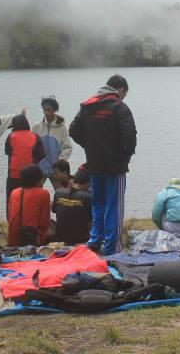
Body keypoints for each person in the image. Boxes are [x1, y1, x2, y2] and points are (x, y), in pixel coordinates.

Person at [69, 74, 137, 255]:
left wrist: (89, 146)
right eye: (125, 93)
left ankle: (95, 240)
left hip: (94, 163)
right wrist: (125, 155)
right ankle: (112, 247)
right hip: (115, 166)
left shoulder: (87, 106)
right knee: (115, 205)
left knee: (98, 202)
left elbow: (73, 130)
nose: (123, 97)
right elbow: (130, 136)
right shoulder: (119, 107)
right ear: (121, 89)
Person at [5, 113, 44, 208]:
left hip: (14, 175)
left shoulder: (11, 137)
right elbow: (42, 154)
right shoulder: (35, 136)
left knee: (13, 200)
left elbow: (8, 152)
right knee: (33, 201)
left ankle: (12, 219)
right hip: (33, 176)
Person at [7, 164, 51, 247]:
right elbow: (45, 222)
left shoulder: (14, 192)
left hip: (13, 238)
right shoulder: (44, 194)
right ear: (38, 180)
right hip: (32, 238)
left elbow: (10, 215)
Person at [32, 96, 73, 184]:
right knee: (36, 191)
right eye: (44, 110)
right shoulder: (36, 127)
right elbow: (31, 147)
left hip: (56, 170)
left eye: (49, 110)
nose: (46, 112)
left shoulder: (62, 128)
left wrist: (60, 160)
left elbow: (68, 147)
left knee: (60, 192)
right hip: (40, 168)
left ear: (54, 110)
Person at [53, 169, 92, 245]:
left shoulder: (58, 192)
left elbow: (54, 210)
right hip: (80, 240)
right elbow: (90, 221)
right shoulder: (88, 197)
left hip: (59, 238)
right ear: (87, 184)